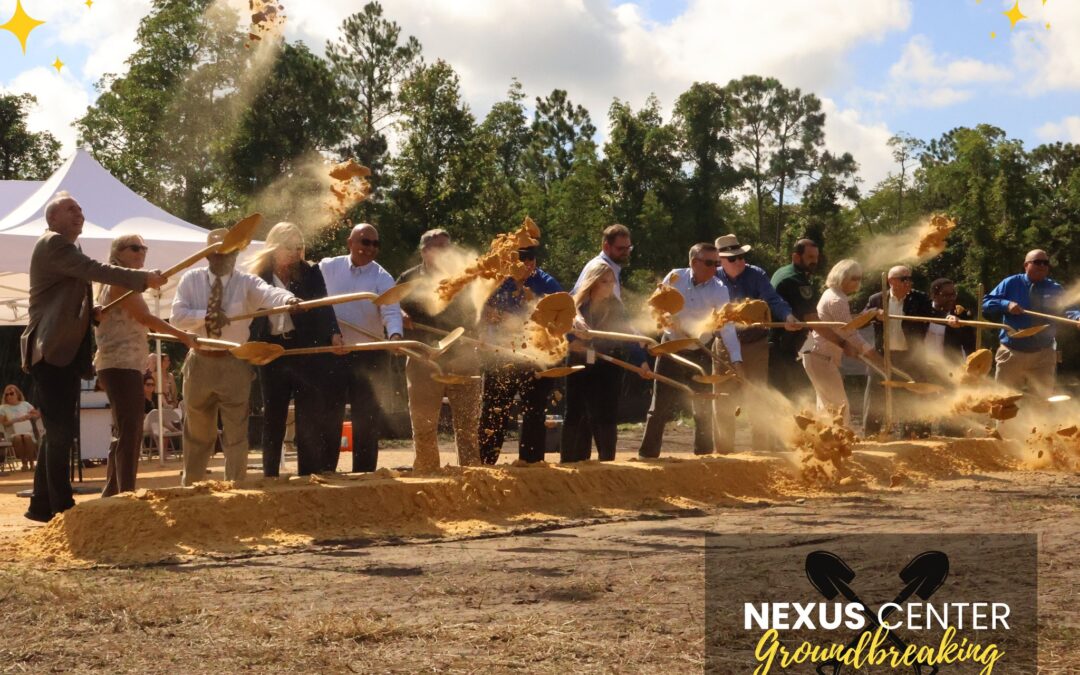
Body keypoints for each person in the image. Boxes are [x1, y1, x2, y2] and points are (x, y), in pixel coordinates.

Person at [20, 192, 166, 522]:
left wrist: (91, 313)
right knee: (59, 432)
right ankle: (62, 508)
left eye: (81, 209)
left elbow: (65, 298)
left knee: (56, 431)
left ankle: (42, 505)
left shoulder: (65, 248)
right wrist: (142, 279)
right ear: (52, 219)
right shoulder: (55, 243)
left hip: (60, 351)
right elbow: (94, 269)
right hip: (52, 349)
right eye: (71, 209)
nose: (80, 214)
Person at [171, 228, 299, 486]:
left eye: (227, 252)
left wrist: (289, 298)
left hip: (234, 362)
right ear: (207, 256)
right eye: (215, 253)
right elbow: (176, 318)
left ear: (236, 253)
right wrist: (206, 316)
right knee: (197, 433)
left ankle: (236, 487)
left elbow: (268, 293)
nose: (221, 257)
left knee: (236, 433)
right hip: (199, 362)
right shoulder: (190, 280)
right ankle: (192, 487)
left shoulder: (247, 282)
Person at [95, 234, 197, 497]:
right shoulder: (120, 279)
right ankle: (125, 492)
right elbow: (145, 316)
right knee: (130, 430)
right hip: (121, 364)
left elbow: (139, 320)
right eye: (135, 248)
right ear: (118, 252)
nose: (142, 252)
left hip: (118, 363)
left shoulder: (114, 280)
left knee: (124, 429)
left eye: (144, 248)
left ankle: (114, 491)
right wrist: (183, 336)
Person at [248, 222, 344, 477]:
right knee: (274, 414)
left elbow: (324, 305)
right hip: (271, 350)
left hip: (304, 350)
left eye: (299, 247)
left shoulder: (310, 272)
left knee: (308, 416)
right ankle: (270, 475)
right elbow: (248, 314)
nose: (295, 253)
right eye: (289, 247)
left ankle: (307, 474)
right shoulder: (258, 276)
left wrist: (334, 333)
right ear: (274, 247)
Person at [639, 243, 744, 458]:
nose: (714, 267)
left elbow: (727, 327)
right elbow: (656, 306)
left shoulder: (719, 289)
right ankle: (647, 457)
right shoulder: (675, 277)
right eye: (709, 263)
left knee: (703, 409)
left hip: (699, 351)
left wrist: (737, 361)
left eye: (716, 263)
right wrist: (667, 321)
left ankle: (703, 458)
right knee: (659, 408)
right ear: (694, 262)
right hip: (670, 349)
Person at [319, 223, 403, 473]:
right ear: (350, 242)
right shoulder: (327, 267)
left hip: (370, 354)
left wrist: (396, 335)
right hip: (333, 352)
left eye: (375, 244)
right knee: (329, 414)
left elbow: (391, 310)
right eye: (365, 242)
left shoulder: (382, 277)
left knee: (366, 418)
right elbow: (313, 299)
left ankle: (364, 474)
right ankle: (325, 472)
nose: (370, 248)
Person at [398, 229, 482, 472]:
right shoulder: (408, 278)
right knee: (424, 424)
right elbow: (389, 306)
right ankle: (427, 472)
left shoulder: (465, 277)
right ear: (424, 252)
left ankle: (471, 474)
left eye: (448, 247)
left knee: (468, 424)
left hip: (463, 356)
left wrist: (480, 330)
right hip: (423, 358)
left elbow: (479, 307)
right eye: (439, 247)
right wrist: (399, 314)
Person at [477, 244, 563, 464]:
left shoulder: (546, 283)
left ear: (534, 262)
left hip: (534, 357)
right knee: (495, 409)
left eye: (530, 262)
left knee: (534, 409)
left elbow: (566, 308)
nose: (526, 267)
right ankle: (484, 463)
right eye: (520, 262)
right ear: (509, 262)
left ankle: (532, 463)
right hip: (499, 354)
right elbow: (477, 311)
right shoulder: (494, 282)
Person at [713, 233, 798, 452]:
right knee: (723, 398)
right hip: (723, 346)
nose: (739, 261)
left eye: (741, 256)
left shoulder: (757, 274)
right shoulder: (712, 279)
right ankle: (724, 453)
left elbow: (772, 299)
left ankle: (760, 452)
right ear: (720, 261)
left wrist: (787, 316)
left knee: (758, 396)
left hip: (755, 344)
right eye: (733, 259)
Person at [562, 260, 651, 462]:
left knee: (606, 413)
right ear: (593, 282)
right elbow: (556, 329)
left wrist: (641, 363)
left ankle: (607, 461)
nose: (610, 286)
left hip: (607, 364)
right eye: (605, 282)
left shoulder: (616, 307)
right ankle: (570, 461)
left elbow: (627, 336)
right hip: (578, 363)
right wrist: (570, 342)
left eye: (612, 282)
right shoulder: (574, 304)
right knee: (576, 411)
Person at [982, 250, 1080, 399]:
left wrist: (1077, 318)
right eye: (1037, 262)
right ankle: (1004, 423)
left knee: (1041, 400)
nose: (1042, 266)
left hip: (1044, 354)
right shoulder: (1011, 283)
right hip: (1012, 352)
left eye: (1045, 263)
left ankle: (1036, 423)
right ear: (1026, 265)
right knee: (1004, 400)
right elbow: (986, 303)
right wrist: (1006, 304)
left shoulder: (1055, 288)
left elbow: (1068, 309)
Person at [800, 260, 883, 427]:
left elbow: (844, 328)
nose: (858, 282)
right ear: (842, 277)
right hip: (820, 356)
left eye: (860, 278)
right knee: (839, 408)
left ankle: (825, 446)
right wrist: (871, 353)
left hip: (816, 354)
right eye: (854, 278)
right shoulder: (837, 300)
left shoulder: (832, 294)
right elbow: (849, 332)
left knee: (827, 406)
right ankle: (838, 445)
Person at [862, 265, 934, 437]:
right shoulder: (877, 299)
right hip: (883, 355)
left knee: (914, 395)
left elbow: (935, 314)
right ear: (891, 281)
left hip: (910, 356)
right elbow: (861, 319)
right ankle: (870, 435)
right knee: (875, 395)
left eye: (910, 278)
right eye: (904, 279)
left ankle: (916, 435)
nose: (909, 282)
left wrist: (950, 317)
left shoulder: (920, 298)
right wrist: (874, 313)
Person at [769, 239, 821, 398]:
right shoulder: (795, 280)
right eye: (810, 257)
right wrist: (842, 340)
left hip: (779, 347)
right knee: (801, 396)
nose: (815, 261)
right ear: (796, 257)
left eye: (816, 257)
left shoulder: (783, 272)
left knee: (787, 396)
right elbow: (811, 318)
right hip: (782, 349)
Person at [571, 224, 632, 300]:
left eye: (628, 248)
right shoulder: (600, 268)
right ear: (606, 247)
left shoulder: (611, 266)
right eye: (620, 249)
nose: (626, 252)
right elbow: (578, 303)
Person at [926, 278, 976, 364]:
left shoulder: (961, 315)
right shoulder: (923, 310)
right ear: (934, 296)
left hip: (950, 365)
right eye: (946, 295)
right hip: (923, 364)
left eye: (953, 294)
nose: (951, 298)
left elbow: (969, 344)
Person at [0, 385, 39, 471]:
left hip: (27, 431)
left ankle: (31, 463)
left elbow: (37, 414)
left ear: (17, 394)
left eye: (11, 393)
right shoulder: (3, 408)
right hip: (12, 433)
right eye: (7, 394)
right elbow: (3, 423)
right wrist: (16, 420)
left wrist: (29, 416)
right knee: (18, 438)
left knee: (27, 437)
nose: (9, 396)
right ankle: (24, 463)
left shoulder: (25, 404)